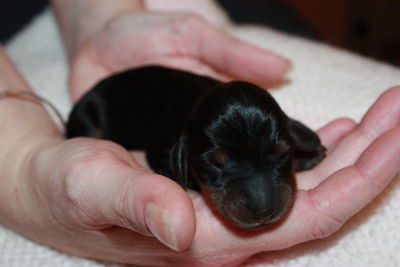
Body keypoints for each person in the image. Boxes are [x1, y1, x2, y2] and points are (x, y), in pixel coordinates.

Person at [0, 0, 399, 266]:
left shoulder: (244, 133)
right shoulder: (171, 145)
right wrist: (20, 158)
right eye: (219, 164)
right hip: (101, 106)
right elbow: (159, 156)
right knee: (88, 122)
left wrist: (106, 20)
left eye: (278, 155)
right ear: (183, 155)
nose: (262, 200)